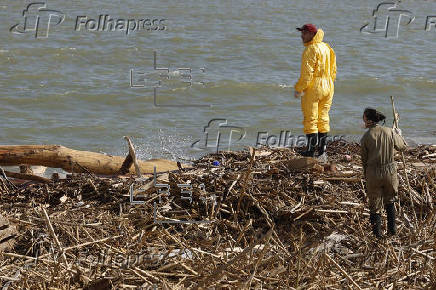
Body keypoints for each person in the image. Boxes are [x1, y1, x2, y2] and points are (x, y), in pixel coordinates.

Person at [360, 108, 407, 238]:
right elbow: (403, 146)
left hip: (373, 173)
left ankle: (378, 237)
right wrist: (398, 134)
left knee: (375, 206)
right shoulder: (389, 131)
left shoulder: (366, 137)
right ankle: (392, 232)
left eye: (363, 118)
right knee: (390, 201)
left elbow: (364, 160)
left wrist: (366, 175)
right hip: (390, 172)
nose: (362, 120)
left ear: (369, 120)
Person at [294, 24, 336, 157]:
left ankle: (311, 151)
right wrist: (329, 82)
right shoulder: (326, 47)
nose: (302, 36)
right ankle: (322, 149)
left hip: (315, 87)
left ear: (312, 35)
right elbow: (334, 68)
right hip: (328, 85)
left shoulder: (310, 49)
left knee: (310, 118)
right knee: (323, 117)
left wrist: (299, 89)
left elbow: (307, 74)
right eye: (302, 33)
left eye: (305, 33)